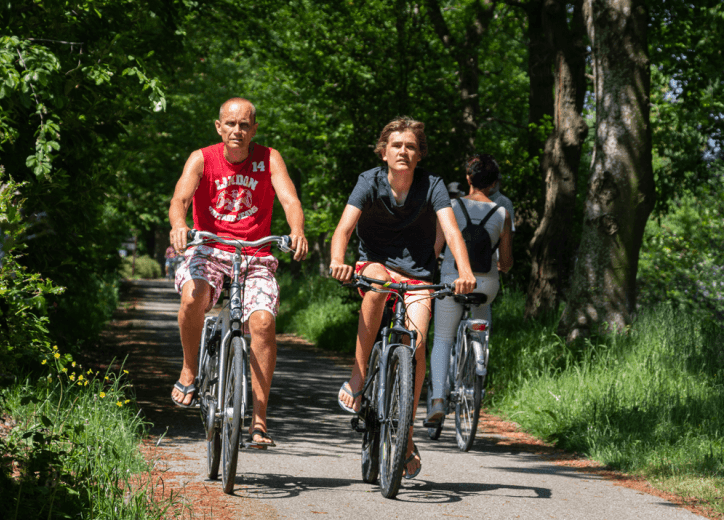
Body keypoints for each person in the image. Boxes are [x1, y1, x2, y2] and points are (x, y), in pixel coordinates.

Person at [329, 117, 476, 479]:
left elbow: (452, 232)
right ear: (384, 151)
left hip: (418, 274)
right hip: (374, 264)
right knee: (377, 285)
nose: (403, 152)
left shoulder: (433, 186)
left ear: (419, 154)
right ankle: (358, 379)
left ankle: (406, 436)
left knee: (419, 340)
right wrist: (337, 261)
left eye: (411, 146)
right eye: (396, 146)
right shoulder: (369, 182)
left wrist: (465, 271)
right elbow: (344, 229)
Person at [168, 97, 308, 449]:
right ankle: (189, 369)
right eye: (230, 124)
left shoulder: (269, 158)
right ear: (219, 127)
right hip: (210, 249)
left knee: (262, 322)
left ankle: (259, 421)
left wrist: (298, 231)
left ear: (254, 129)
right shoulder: (202, 158)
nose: (237, 130)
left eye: (244, 124)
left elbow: (290, 200)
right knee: (192, 295)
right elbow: (180, 200)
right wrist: (179, 225)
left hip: (255, 253)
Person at [427, 154, 513, 424]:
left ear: (468, 178)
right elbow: (507, 262)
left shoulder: (450, 207)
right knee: (481, 316)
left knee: (442, 338)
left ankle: (438, 399)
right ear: (494, 184)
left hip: (453, 280)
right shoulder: (502, 213)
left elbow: (436, 249)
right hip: (485, 284)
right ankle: (478, 362)